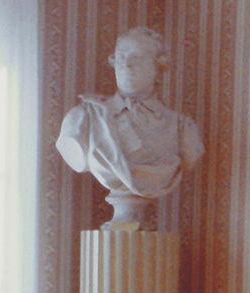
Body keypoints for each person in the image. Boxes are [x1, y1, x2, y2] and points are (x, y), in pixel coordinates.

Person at [56, 27, 204, 210]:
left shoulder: (183, 128)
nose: (126, 64)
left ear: (158, 67)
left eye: (138, 57)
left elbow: (191, 155)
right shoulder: (84, 119)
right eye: (121, 56)